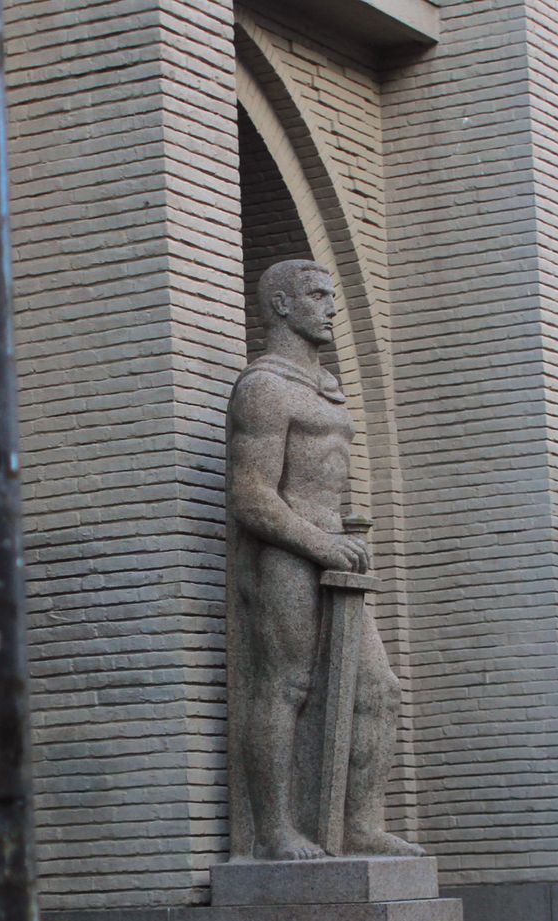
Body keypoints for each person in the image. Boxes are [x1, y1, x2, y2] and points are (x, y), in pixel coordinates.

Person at [225, 259, 422, 861]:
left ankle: (360, 824)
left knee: (380, 690)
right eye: (316, 295)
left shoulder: (323, 387)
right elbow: (251, 494)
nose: (330, 306)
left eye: (332, 295)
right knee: (286, 686)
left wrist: (343, 536)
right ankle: (273, 831)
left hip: (337, 555)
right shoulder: (264, 387)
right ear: (281, 305)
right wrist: (317, 541)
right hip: (289, 556)